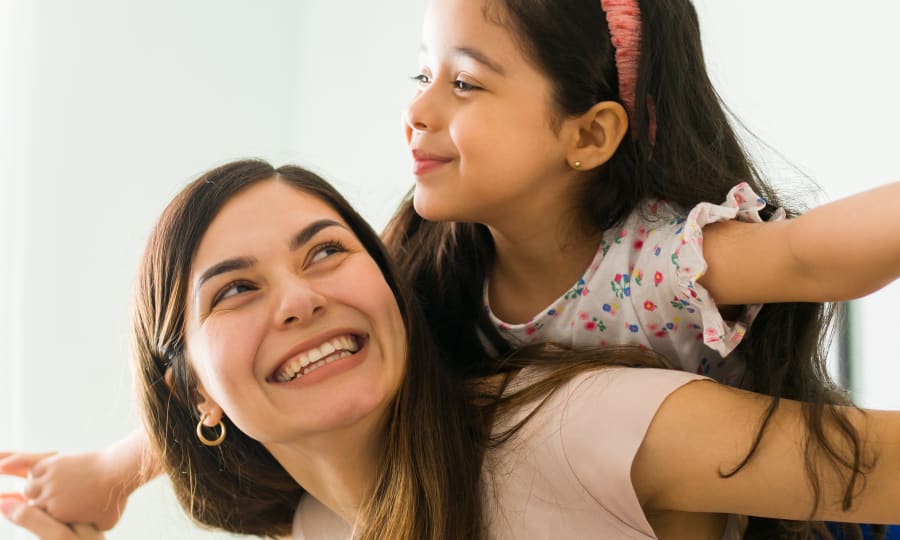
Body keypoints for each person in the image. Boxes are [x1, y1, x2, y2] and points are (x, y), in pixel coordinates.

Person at [4, 0, 900, 536]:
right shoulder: (431, 279)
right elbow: (220, 377)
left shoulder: (656, 268)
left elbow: (813, 255)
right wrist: (111, 471)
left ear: (588, 134)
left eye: (464, 83)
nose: (417, 112)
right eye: (421, 75)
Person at [5, 160, 900, 540]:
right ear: (193, 391)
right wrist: (112, 472)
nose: (301, 298)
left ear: (389, 289)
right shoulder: (315, 523)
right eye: (235, 289)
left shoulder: (566, 430)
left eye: (325, 252)